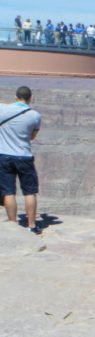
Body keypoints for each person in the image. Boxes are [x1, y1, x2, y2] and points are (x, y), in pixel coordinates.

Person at [0, 86, 43, 234]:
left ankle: (13, 225)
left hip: (3, 156)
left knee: (8, 191)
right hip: (24, 156)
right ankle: (31, 226)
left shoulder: (2, 109)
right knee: (29, 192)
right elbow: (32, 137)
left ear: (15, 96)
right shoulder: (35, 115)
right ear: (30, 98)